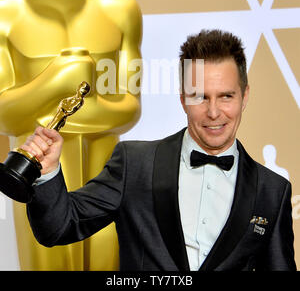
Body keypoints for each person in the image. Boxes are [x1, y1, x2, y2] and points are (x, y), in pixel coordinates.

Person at [22, 30, 296, 271]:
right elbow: (59, 228)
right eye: (200, 96)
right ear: (183, 99)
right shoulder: (135, 164)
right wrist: (47, 174)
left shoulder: (272, 191)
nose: (214, 112)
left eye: (226, 95)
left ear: (244, 96)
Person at [0, 0, 142, 270]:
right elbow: (4, 117)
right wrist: (55, 79)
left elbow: (130, 107)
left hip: (107, 185)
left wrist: (63, 107)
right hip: (37, 187)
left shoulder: (120, 10)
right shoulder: (3, 14)